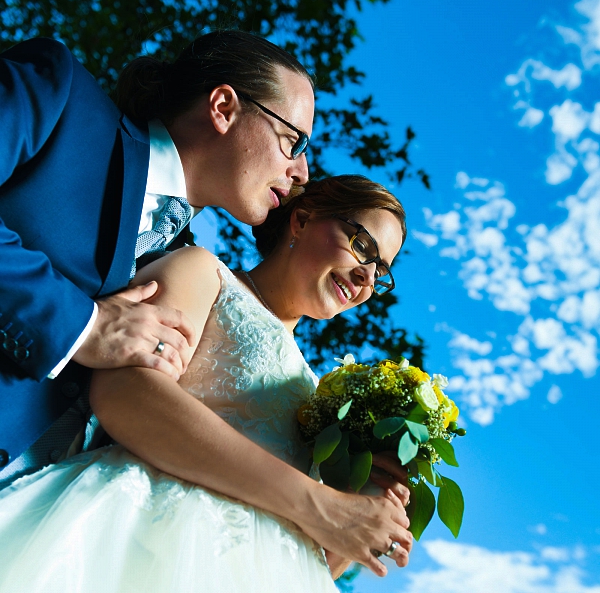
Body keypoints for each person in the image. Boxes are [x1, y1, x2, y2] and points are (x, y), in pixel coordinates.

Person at [0, 176, 412, 591]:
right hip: (136, 537)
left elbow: (311, 555)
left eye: (381, 273)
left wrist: (360, 512)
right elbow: (126, 394)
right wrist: (319, 501)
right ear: (302, 220)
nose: (367, 277)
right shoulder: (204, 273)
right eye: (362, 246)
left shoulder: (322, 396)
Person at [0, 30, 314, 486]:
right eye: (294, 141)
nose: (301, 171)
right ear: (224, 108)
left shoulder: (188, 275)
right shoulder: (60, 96)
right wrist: (85, 325)